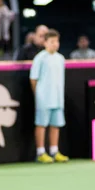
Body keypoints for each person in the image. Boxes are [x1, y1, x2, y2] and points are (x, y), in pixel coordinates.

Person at [29, 29, 69, 164]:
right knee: (41, 124)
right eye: (52, 42)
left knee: (55, 125)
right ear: (45, 43)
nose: (55, 44)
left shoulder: (60, 59)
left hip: (57, 98)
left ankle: (54, 151)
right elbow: (33, 79)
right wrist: (39, 95)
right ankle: (40, 152)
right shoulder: (39, 58)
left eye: (57, 41)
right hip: (43, 99)